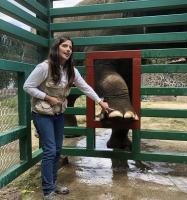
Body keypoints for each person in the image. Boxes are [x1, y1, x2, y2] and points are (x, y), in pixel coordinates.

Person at [23, 35, 113, 200]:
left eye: (70, 48)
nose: (68, 50)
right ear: (57, 48)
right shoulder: (44, 67)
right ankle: (47, 191)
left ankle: (53, 183)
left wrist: (100, 101)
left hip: (58, 114)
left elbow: (85, 87)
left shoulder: (71, 70)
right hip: (42, 114)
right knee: (50, 151)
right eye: (65, 46)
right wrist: (47, 97)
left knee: (57, 150)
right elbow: (27, 86)